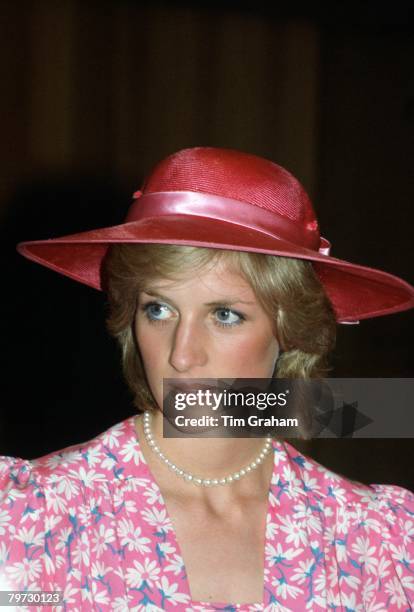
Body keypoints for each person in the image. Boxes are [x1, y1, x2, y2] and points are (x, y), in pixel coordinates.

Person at [1, 147, 413, 611]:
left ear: (289, 328)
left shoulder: (378, 541)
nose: (182, 354)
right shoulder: (27, 517)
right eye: (158, 309)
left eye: (224, 314)